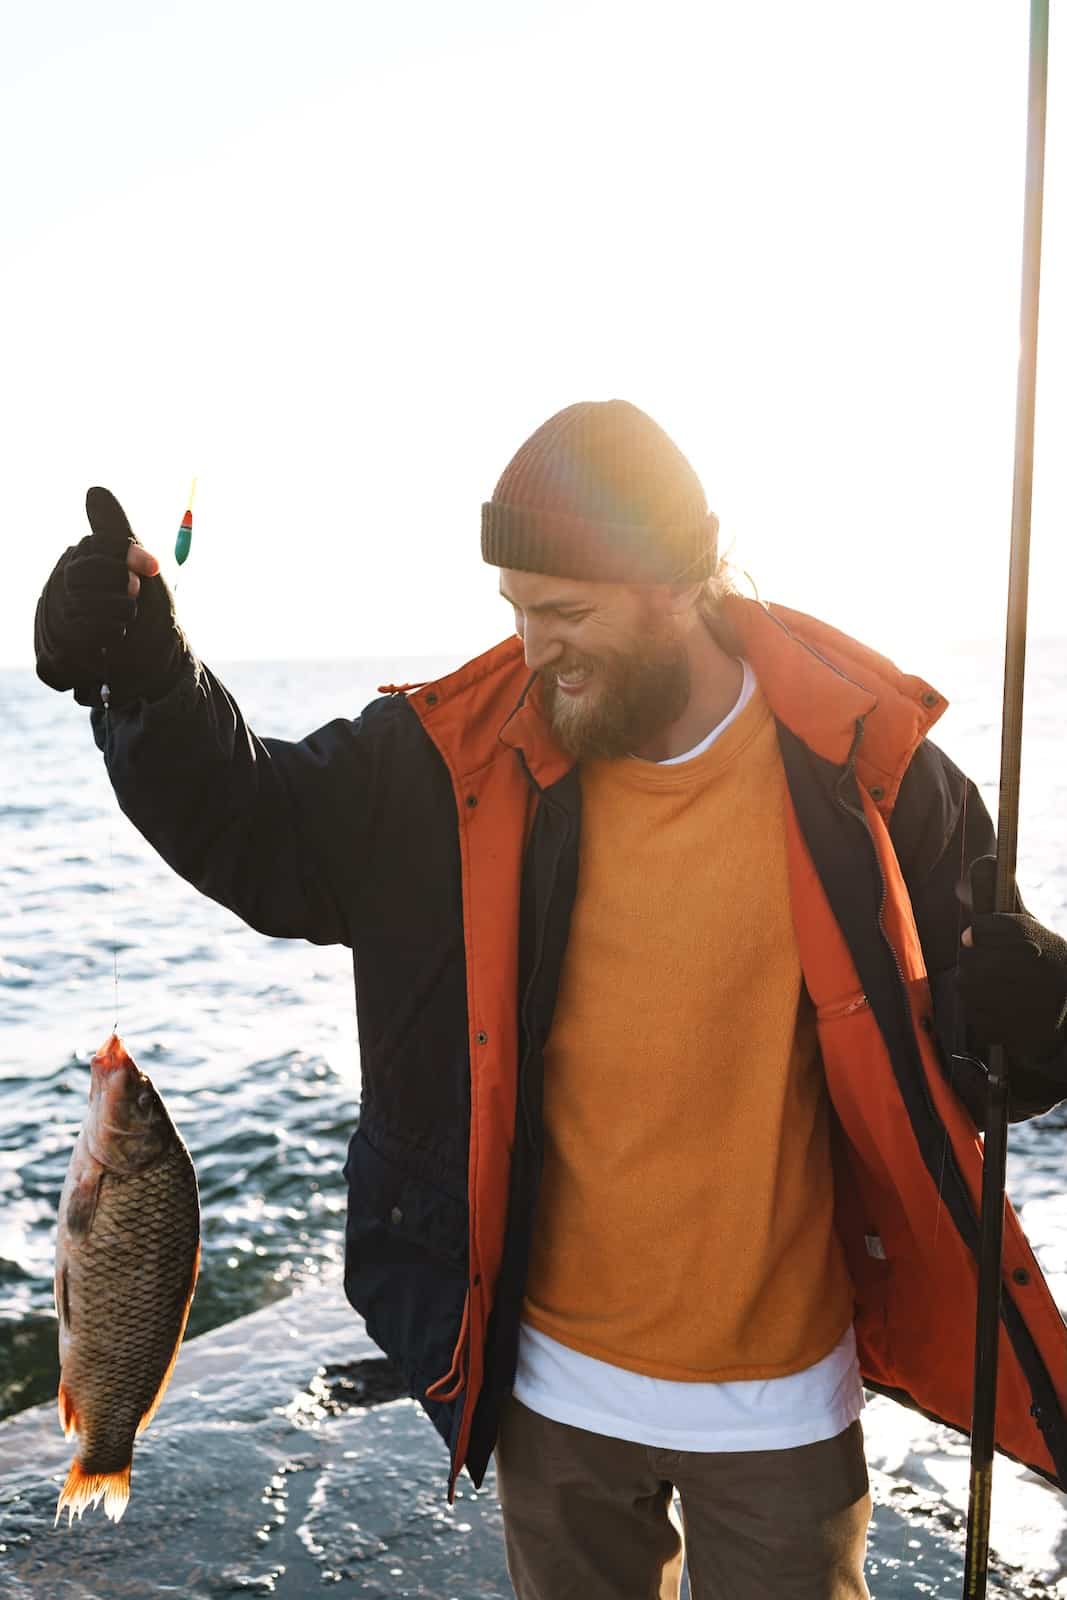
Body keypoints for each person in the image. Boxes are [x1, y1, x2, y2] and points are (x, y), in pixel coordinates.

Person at [34, 400, 1067, 1599]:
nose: (533, 646)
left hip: (782, 1398)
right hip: (547, 1391)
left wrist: (1041, 1016)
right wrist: (152, 683)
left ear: (680, 582)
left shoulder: (867, 764)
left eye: (565, 613)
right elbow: (262, 826)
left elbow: (979, 1060)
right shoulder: (457, 755)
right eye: (516, 610)